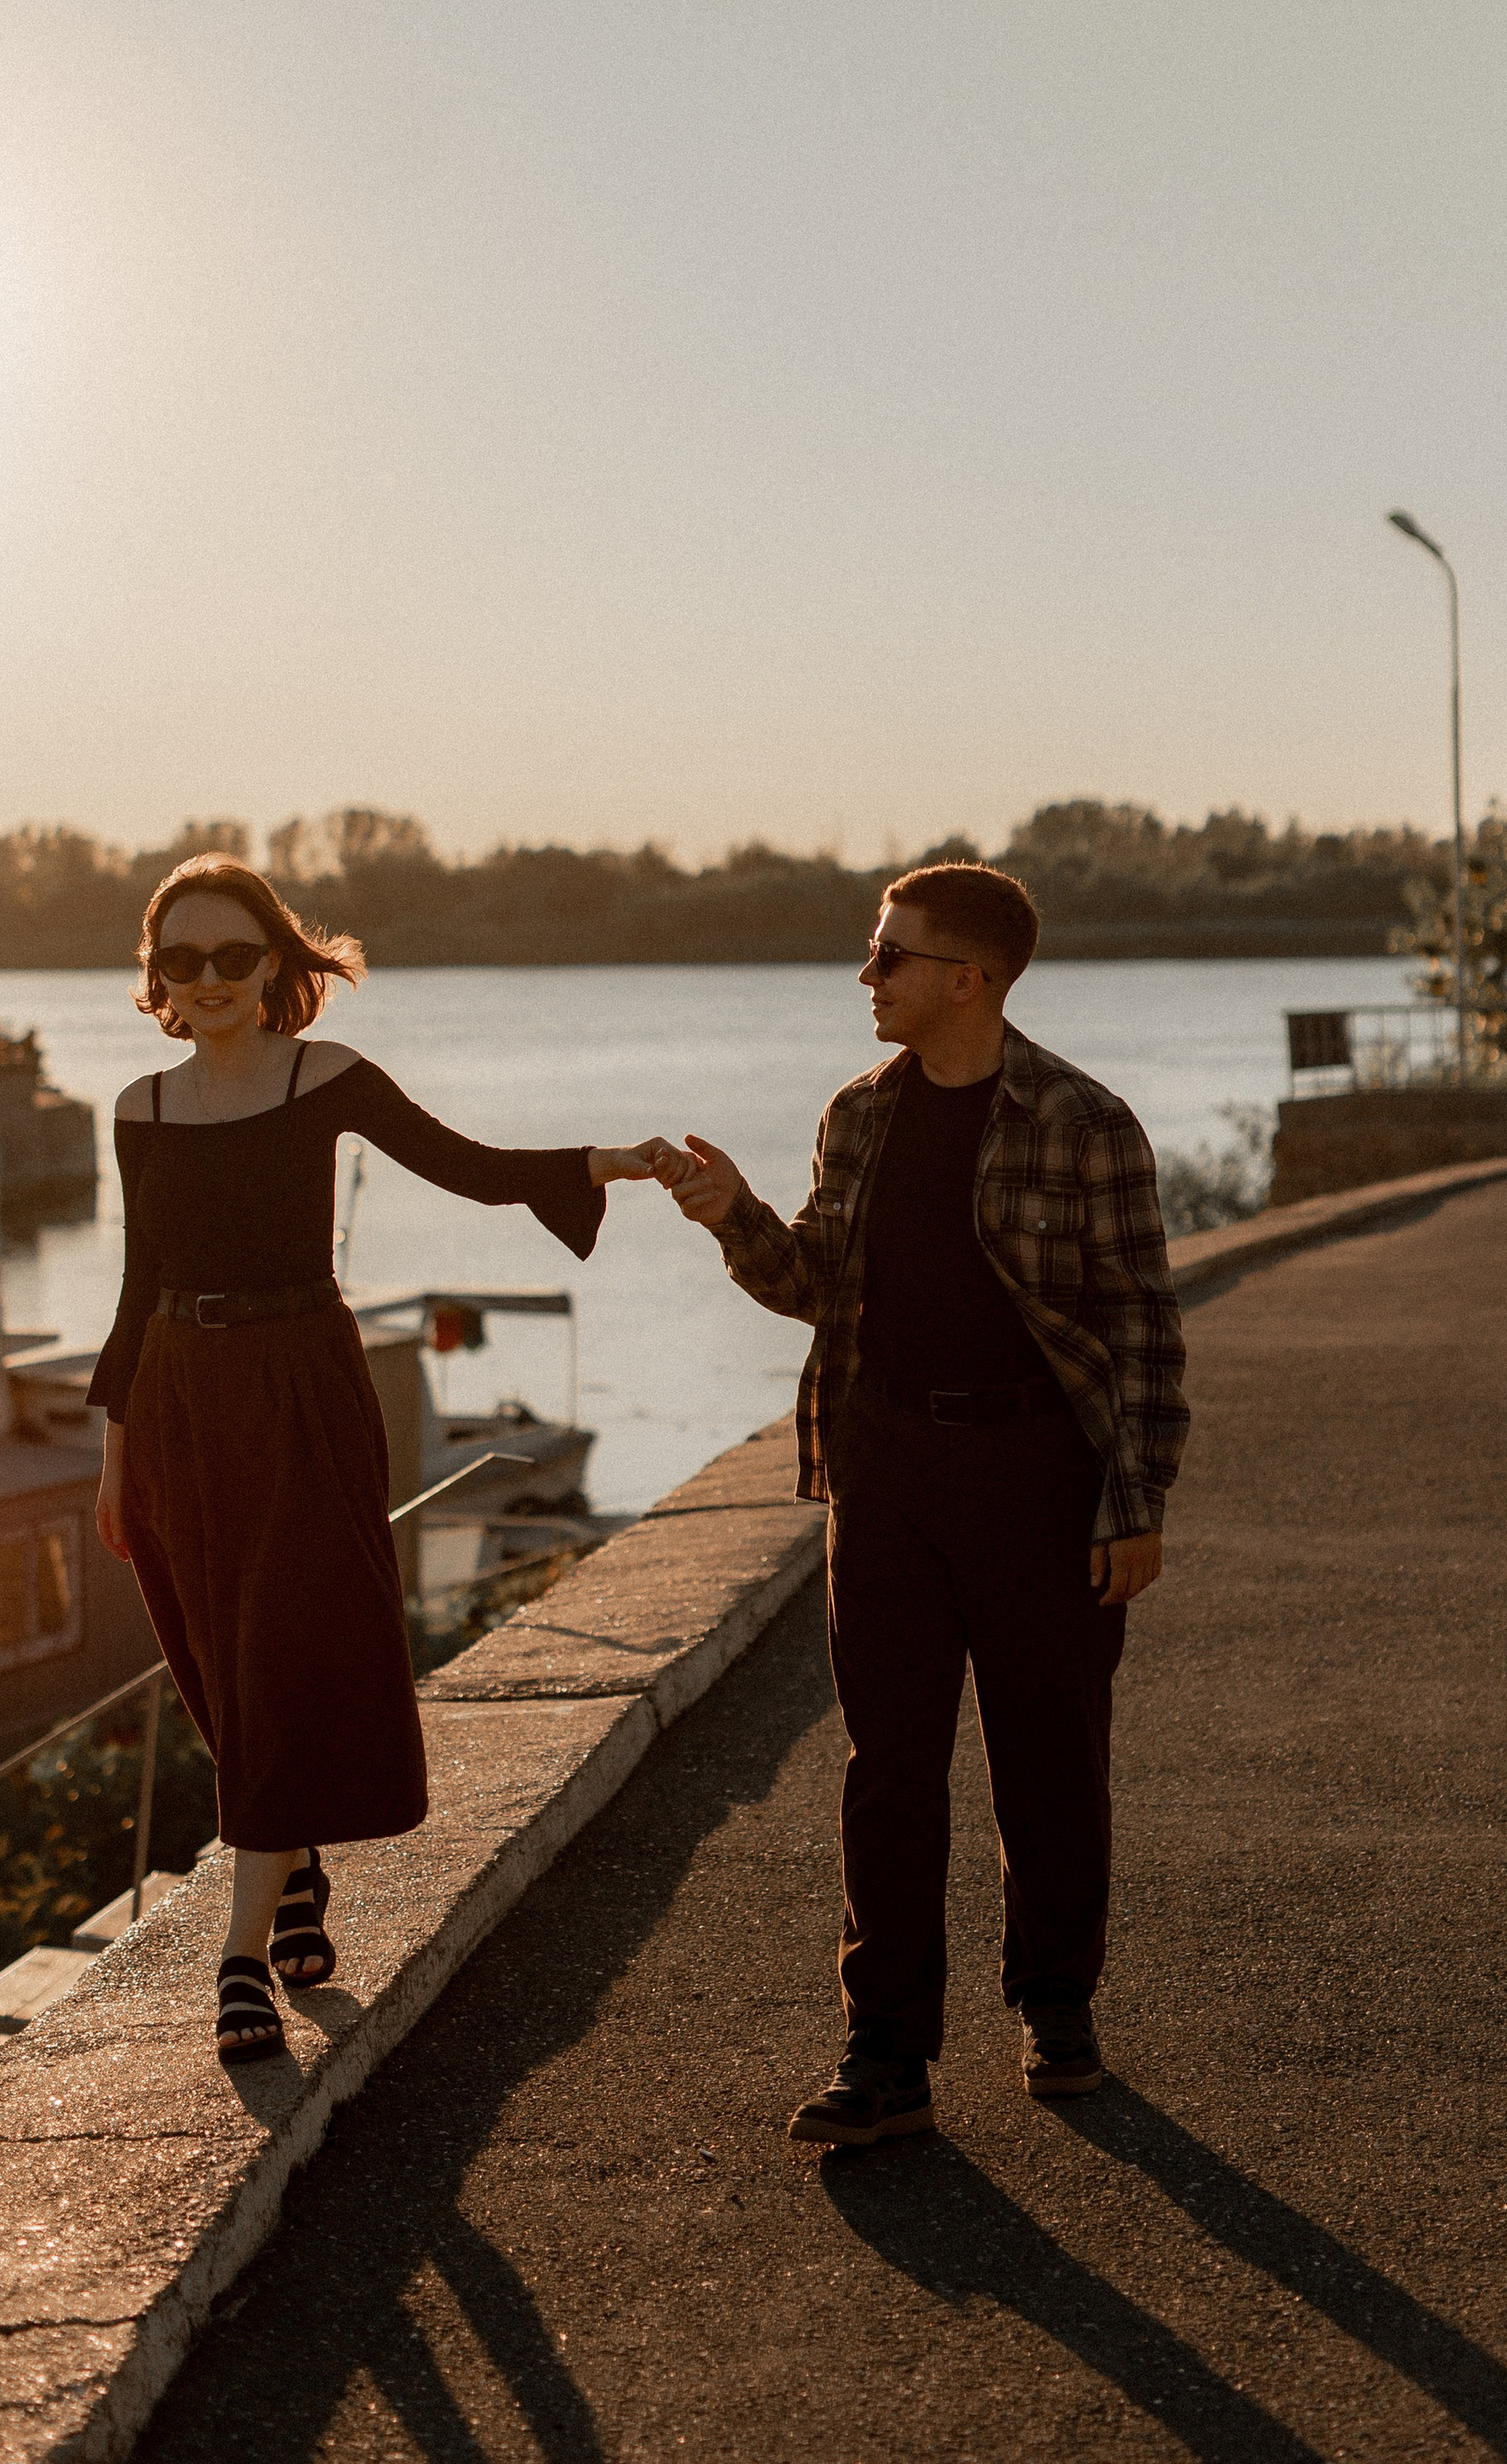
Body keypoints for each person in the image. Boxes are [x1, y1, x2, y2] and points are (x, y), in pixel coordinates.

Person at [88, 852, 669, 2069]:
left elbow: (466, 1164)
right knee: (215, 1658)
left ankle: (237, 1957)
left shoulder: (324, 1077)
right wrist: (114, 1454)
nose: (208, 981)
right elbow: (138, 1287)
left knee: (285, 1642)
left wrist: (594, 1165)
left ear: (275, 965)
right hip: (179, 1399)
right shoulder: (139, 1108)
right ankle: (291, 1865)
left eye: (233, 957)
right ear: (157, 976)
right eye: (181, 960)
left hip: (301, 1381)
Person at [659, 860, 1186, 2144]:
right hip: (884, 1465)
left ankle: (1056, 2004)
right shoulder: (858, 1115)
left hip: (1037, 1474)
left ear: (970, 977)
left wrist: (1135, 1503)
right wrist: (734, 1217)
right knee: (887, 1767)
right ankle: (884, 2052)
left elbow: (1142, 1329)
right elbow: (814, 1283)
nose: (867, 975)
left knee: (1048, 1757)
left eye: (889, 956)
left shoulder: (1083, 1120)